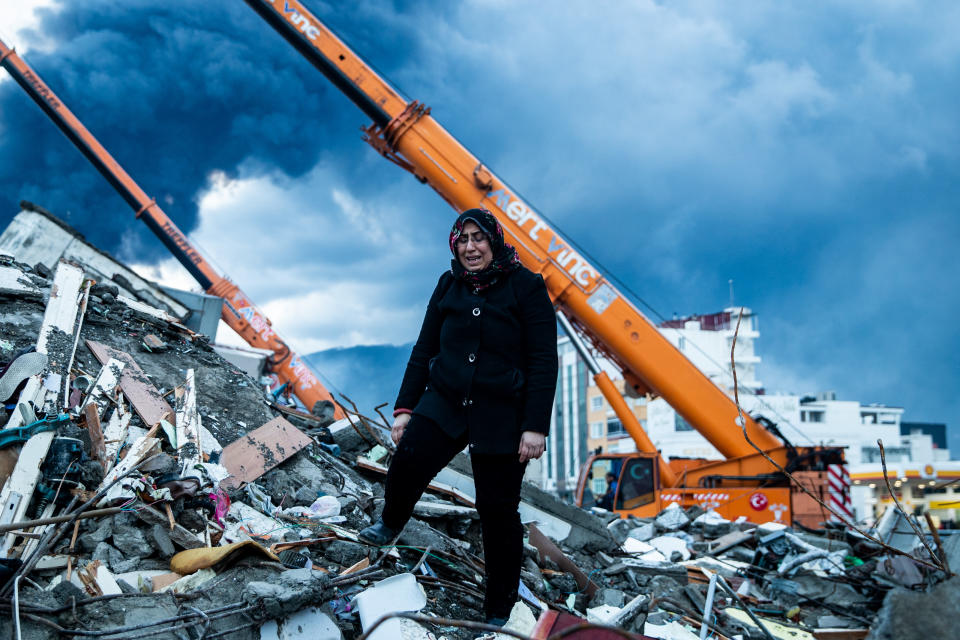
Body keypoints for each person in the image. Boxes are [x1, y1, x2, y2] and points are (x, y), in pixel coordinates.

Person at [359, 207, 558, 626]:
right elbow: (424, 346)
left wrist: (535, 426)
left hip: (502, 411)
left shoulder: (526, 287)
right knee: (409, 458)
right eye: (463, 239)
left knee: (497, 510)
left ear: (495, 241)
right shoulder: (449, 285)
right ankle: (390, 522)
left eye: (478, 238)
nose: (470, 247)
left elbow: (544, 360)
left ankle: (499, 609)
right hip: (446, 397)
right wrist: (404, 408)